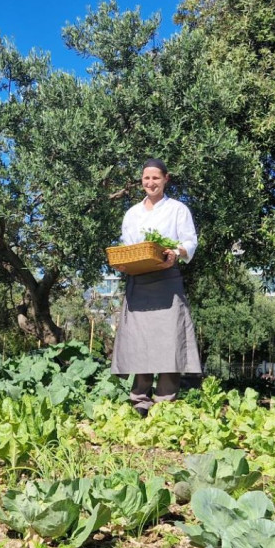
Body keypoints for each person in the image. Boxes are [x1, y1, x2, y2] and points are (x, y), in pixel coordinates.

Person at [110, 158, 201, 416]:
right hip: (139, 283)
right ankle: (139, 402)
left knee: (169, 343)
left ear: (165, 179)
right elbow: (127, 247)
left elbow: (189, 242)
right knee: (140, 343)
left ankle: (165, 404)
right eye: (146, 178)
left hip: (167, 281)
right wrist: (123, 264)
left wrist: (176, 252)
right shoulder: (132, 214)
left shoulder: (178, 210)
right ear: (142, 181)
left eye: (156, 178)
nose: (150, 183)